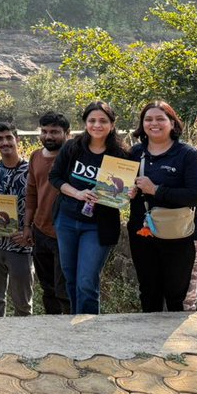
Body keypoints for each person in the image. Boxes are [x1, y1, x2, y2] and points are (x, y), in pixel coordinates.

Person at [49, 100, 133, 315]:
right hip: (66, 220)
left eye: (103, 121)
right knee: (69, 276)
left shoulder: (122, 155)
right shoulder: (73, 147)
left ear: (112, 124)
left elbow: (124, 192)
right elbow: (55, 178)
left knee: (86, 280)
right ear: (85, 123)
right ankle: (75, 321)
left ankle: (89, 327)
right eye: (92, 120)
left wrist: (131, 193)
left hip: (98, 225)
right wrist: (77, 193)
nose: (97, 125)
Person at [127, 101, 197, 312]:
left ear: (172, 123)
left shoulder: (190, 156)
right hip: (143, 234)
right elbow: (122, 186)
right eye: (148, 119)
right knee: (148, 291)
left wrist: (156, 190)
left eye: (160, 119)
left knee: (179, 298)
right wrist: (128, 191)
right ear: (142, 124)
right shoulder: (135, 154)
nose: (153, 123)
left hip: (182, 236)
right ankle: (148, 342)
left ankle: (180, 344)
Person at [0, 122, 34, 317]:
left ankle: (22, 343)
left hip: (20, 246)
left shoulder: (32, 172)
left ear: (17, 140)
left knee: (23, 304)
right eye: (0, 139)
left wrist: (30, 232)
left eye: (9, 138)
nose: (5, 142)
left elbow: (39, 206)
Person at [24, 112, 72, 314]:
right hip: (40, 231)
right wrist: (27, 227)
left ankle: (69, 332)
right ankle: (51, 329)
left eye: (54, 132)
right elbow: (32, 194)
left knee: (64, 289)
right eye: (44, 131)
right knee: (47, 287)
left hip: (65, 232)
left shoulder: (73, 157)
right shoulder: (35, 156)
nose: (48, 136)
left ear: (67, 133)